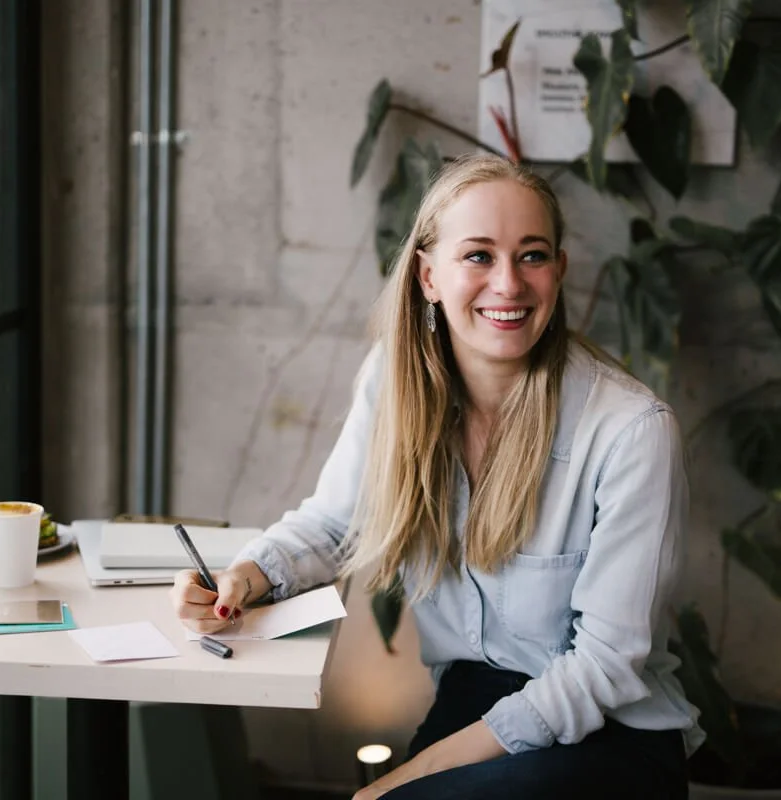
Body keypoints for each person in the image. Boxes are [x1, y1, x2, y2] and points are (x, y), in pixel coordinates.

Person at [169, 153, 702, 798]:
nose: (508, 283)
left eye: (532, 255)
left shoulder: (631, 430)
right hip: (471, 703)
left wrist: (414, 772)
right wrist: (242, 578)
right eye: (478, 255)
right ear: (428, 276)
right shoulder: (395, 386)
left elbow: (606, 668)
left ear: (559, 272)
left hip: (609, 733)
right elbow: (336, 523)